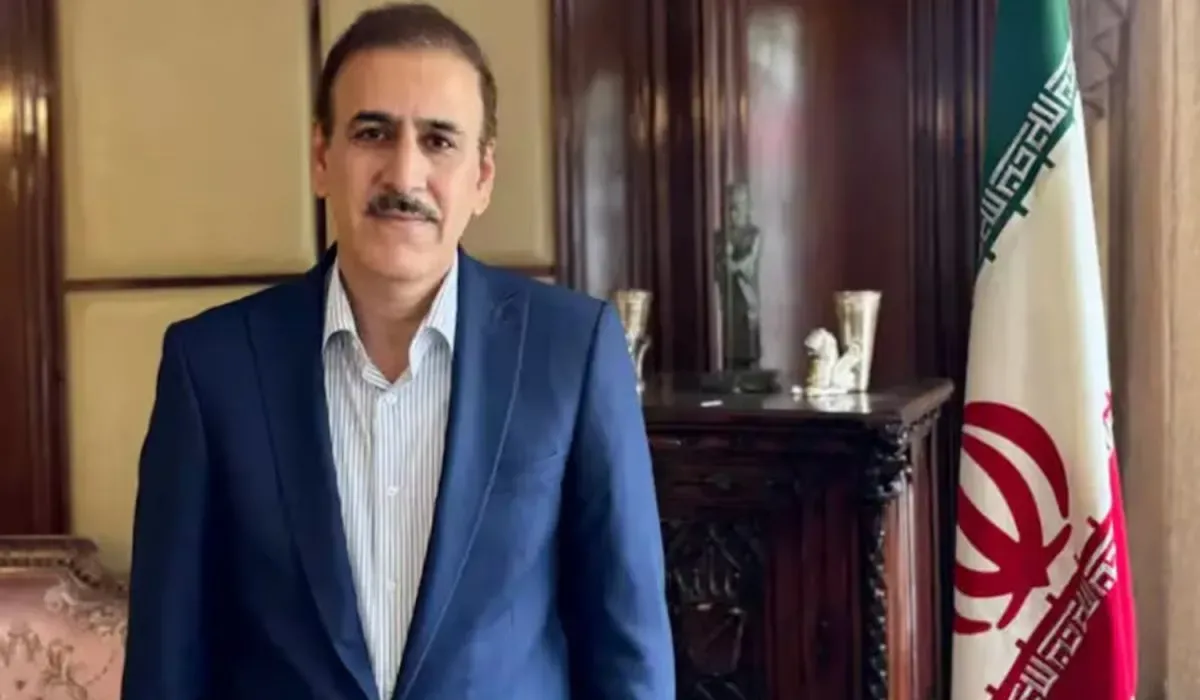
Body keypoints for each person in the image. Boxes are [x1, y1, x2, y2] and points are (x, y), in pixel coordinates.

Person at [118, 4, 675, 699]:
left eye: (439, 140)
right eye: (372, 133)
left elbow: (628, 647)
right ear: (322, 158)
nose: (404, 175)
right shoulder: (211, 367)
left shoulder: (574, 352)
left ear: (483, 177)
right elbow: (166, 664)